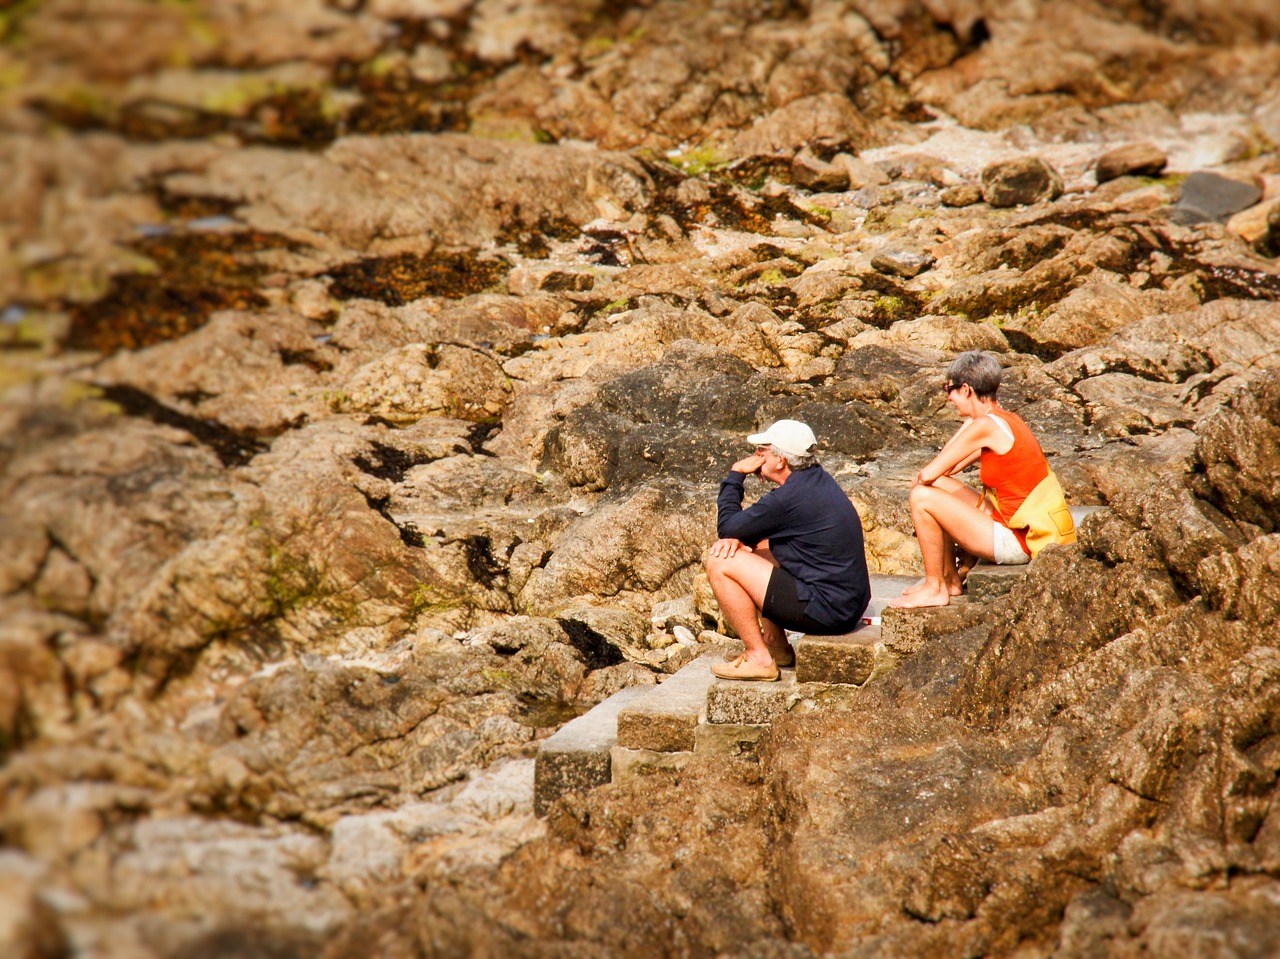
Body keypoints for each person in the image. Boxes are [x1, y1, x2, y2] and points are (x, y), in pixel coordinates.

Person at [889, 350, 1076, 609]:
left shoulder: (986, 426)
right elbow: (947, 472)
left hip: (1020, 540)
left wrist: (971, 424)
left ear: (966, 389)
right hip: (1016, 523)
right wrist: (970, 422)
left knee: (921, 495)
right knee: (935, 487)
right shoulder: (1002, 420)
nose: (949, 398)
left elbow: (927, 474)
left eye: (950, 389)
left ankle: (935, 588)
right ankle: (950, 580)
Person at [708, 419, 871, 682]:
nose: (756, 456)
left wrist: (735, 474)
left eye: (763, 450)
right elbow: (752, 529)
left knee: (720, 561)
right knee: (760, 546)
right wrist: (741, 538)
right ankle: (775, 645)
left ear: (780, 461)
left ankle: (759, 659)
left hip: (828, 612)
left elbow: (727, 527)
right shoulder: (814, 480)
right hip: (847, 602)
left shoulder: (789, 498)